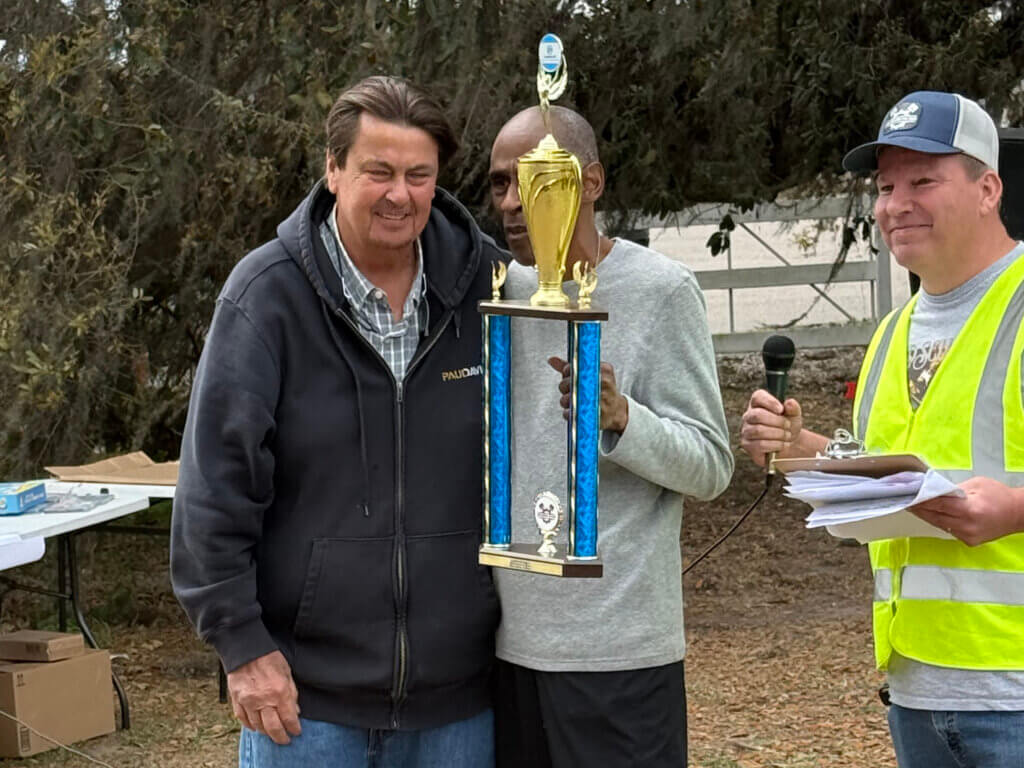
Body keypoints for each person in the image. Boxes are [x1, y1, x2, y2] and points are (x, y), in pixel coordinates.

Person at [170, 76, 505, 767]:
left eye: (419, 175)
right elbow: (213, 490)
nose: (399, 195)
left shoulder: (495, 290)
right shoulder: (266, 298)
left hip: (460, 708)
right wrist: (242, 647)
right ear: (333, 169)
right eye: (378, 171)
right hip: (304, 705)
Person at [740, 91, 1024, 767]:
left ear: (988, 189)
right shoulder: (894, 332)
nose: (896, 205)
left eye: (923, 180)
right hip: (915, 691)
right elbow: (893, 471)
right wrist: (801, 449)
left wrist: (1016, 510)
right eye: (886, 186)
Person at [487, 105, 734, 767]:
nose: (510, 203)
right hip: (511, 652)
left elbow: (712, 465)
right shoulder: (501, 290)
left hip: (621, 657)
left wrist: (624, 418)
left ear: (591, 182)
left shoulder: (662, 291)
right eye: (500, 184)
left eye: (532, 180)